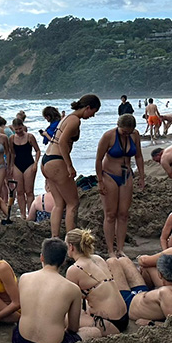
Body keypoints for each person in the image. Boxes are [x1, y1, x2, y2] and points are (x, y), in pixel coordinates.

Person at [42, 94, 101, 237]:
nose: (92, 116)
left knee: (59, 204)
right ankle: (71, 243)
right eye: (93, 112)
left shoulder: (67, 117)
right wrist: (69, 166)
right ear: (87, 108)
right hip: (57, 161)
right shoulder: (74, 120)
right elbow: (62, 142)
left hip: (46, 161)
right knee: (73, 204)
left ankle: (54, 238)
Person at [13, 238, 83, 343]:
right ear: (64, 261)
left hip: (20, 340)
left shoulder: (24, 278)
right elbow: (73, 328)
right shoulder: (73, 289)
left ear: (42, 257)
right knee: (93, 331)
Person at [95, 114, 145, 258]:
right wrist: (99, 181)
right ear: (118, 126)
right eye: (124, 132)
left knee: (123, 214)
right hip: (109, 175)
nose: (126, 134)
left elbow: (139, 156)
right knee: (110, 214)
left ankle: (120, 249)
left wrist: (141, 176)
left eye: (129, 132)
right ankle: (110, 250)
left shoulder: (135, 135)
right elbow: (98, 159)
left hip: (126, 175)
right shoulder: (108, 136)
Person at [64, 230, 129, 335]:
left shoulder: (75, 269)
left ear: (71, 247)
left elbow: (69, 302)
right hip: (124, 317)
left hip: (108, 323)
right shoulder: (97, 259)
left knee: (63, 317)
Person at [8, 118, 40, 221]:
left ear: (23, 126)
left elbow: (37, 150)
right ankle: (23, 214)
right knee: (19, 191)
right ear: (13, 128)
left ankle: (31, 213)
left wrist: (36, 163)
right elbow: (12, 153)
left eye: (20, 128)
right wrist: (11, 166)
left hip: (29, 164)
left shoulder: (30, 137)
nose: (18, 131)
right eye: (16, 129)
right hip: (17, 165)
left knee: (29, 191)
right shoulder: (12, 138)